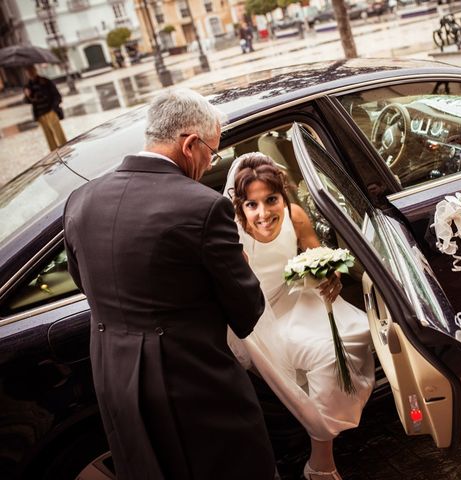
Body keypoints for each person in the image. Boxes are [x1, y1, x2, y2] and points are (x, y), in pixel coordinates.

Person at [63, 88, 276, 480]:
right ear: (190, 144)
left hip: (113, 380)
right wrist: (241, 266)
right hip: (191, 383)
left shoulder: (81, 198)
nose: (210, 161)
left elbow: (86, 284)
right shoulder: (202, 206)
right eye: (212, 152)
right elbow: (246, 311)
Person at [224, 153, 375, 480]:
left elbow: (316, 255)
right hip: (258, 314)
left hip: (293, 296)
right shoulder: (234, 236)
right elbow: (237, 291)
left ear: (284, 196)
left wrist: (329, 275)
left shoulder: (296, 216)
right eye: (251, 205)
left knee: (360, 331)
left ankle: (328, 427)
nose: (263, 213)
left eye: (271, 200)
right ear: (240, 206)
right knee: (323, 354)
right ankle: (321, 458)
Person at [23, 65, 67, 151]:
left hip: (50, 112)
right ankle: (55, 156)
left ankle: (66, 151)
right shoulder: (27, 86)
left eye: (31, 70)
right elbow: (27, 101)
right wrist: (27, 96)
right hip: (40, 115)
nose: (30, 73)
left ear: (35, 70)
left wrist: (54, 108)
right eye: (28, 71)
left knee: (59, 135)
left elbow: (57, 95)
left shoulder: (45, 81)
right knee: (49, 139)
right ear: (26, 73)